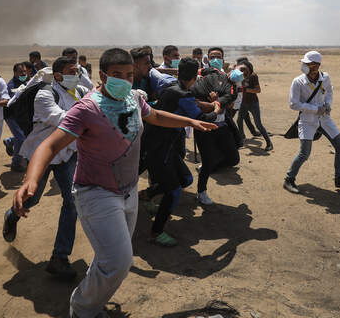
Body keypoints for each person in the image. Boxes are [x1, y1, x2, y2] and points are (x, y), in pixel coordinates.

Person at [12, 48, 216, 318]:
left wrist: (189, 120)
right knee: (120, 263)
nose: (125, 80)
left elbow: (154, 116)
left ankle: (91, 304)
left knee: (108, 257)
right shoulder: (86, 108)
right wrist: (31, 179)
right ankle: (83, 309)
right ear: (102, 75)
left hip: (129, 191)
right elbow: (49, 145)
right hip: (96, 193)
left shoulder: (133, 99)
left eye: (129, 74)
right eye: (117, 75)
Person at [3, 57, 89, 278]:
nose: (76, 75)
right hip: (42, 155)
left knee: (72, 201)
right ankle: (11, 216)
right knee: (33, 198)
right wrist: (91, 121)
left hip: (67, 154)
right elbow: (63, 120)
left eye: (78, 71)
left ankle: (60, 257)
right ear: (58, 75)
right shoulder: (45, 94)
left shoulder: (78, 92)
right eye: (72, 71)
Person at [142, 58, 220, 246]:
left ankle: (147, 196)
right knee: (174, 190)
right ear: (195, 77)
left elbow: (190, 104)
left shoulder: (171, 89)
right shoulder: (183, 95)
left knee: (186, 179)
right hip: (160, 147)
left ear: (178, 72)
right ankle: (156, 232)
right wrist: (217, 108)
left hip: (161, 145)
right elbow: (202, 119)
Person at [283, 51, 340, 194]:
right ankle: (289, 179)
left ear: (316, 66)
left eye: (307, 63)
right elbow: (293, 104)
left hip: (324, 119)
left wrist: (328, 104)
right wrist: (315, 109)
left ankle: (339, 178)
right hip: (307, 121)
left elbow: (329, 91)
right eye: (304, 63)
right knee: (304, 153)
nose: (304, 66)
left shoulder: (325, 78)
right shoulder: (298, 81)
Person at [190, 47, 240, 205]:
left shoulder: (227, 78)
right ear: (207, 59)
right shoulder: (199, 76)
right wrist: (212, 102)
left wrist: (221, 101)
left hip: (222, 124)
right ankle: (201, 191)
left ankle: (210, 162)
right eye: (212, 57)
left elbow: (231, 102)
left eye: (218, 56)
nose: (215, 59)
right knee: (208, 161)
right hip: (204, 125)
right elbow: (194, 99)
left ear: (223, 60)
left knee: (233, 158)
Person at [236, 60, 273, 151]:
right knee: (239, 120)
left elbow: (258, 90)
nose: (243, 71)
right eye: (241, 69)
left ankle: (269, 143)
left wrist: (245, 90)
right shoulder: (239, 76)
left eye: (245, 69)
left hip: (253, 103)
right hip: (243, 103)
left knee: (258, 124)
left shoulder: (253, 76)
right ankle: (242, 138)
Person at [3, 62, 30, 172]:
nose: (23, 74)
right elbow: (14, 102)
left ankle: (9, 141)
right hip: (12, 116)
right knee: (21, 139)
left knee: (26, 137)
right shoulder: (12, 86)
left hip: (23, 116)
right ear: (15, 73)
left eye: (24, 71)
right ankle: (16, 163)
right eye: (20, 72)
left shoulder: (28, 82)